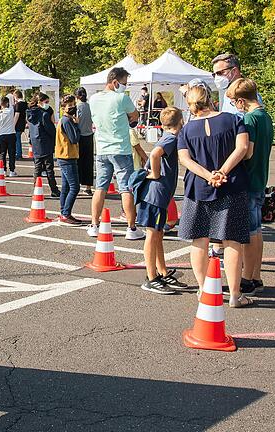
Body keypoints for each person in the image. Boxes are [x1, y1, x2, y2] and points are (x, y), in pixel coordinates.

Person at [177, 85, 253, 308]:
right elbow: (243, 148)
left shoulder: (187, 130)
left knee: (199, 239)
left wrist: (208, 175)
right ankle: (235, 294)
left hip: (199, 188)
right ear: (210, 99)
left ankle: (203, 289)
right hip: (232, 185)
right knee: (232, 240)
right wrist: (223, 172)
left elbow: (185, 159)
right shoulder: (234, 120)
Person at [87, 67, 148, 240]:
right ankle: (131, 228)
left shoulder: (94, 98)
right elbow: (135, 115)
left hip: (102, 149)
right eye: (124, 84)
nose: (125, 87)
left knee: (100, 188)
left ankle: (94, 225)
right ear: (115, 82)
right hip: (121, 149)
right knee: (126, 189)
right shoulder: (122, 98)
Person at [226, 78, 274, 293]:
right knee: (257, 230)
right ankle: (256, 275)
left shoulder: (250, 119)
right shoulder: (266, 116)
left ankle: (247, 279)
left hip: (249, 178)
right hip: (261, 177)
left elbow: (248, 151)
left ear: (240, 101)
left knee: (249, 232)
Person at [137, 107, 188, 294]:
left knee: (158, 233)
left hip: (161, 194)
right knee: (152, 234)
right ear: (180, 121)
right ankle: (150, 277)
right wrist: (156, 173)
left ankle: (162, 272)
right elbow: (155, 154)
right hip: (155, 195)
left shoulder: (169, 137)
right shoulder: (171, 138)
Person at [55, 95, 84, 225]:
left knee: (66, 187)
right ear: (63, 108)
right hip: (67, 156)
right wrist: (77, 126)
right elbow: (74, 138)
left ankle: (64, 212)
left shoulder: (64, 120)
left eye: (73, 105)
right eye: (70, 106)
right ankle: (66, 213)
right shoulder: (67, 121)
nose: (73, 107)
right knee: (74, 187)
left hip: (64, 156)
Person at [27, 92, 60, 197]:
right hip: (45, 142)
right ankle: (54, 189)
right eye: (46, 102)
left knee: (37, 167)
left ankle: (36, 189)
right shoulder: (44, 114)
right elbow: (50, 129)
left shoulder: (30, 112)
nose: (47, 104)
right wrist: (55, 138)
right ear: (40, 102)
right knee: (49, 168)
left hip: (35, 142)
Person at [74, 87, 95, 196]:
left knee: (77, 163)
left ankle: (76, 186)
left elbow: (75, 122)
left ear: (76, 96)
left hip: (79, 137)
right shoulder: (90, 106)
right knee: (88, 162)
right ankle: (88, 187)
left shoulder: (77, 107)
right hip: (89, 136)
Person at [0, 96, 17, 176]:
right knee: (11, 153)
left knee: (2, 153)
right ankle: (12, 171)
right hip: (11, 134)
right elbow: (13, 105)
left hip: (1, 135)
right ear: (7, 103)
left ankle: (4, 170)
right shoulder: (11, 110)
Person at [13, 90, 28, 160]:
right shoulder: (25, 104)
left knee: (17, 139)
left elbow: (17, 115)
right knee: (18, 138)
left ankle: (18, 154)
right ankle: (19, 153)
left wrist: (13, 125)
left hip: (18, 124)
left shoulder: (18, 105)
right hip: (23, 123)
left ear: (16, 96)